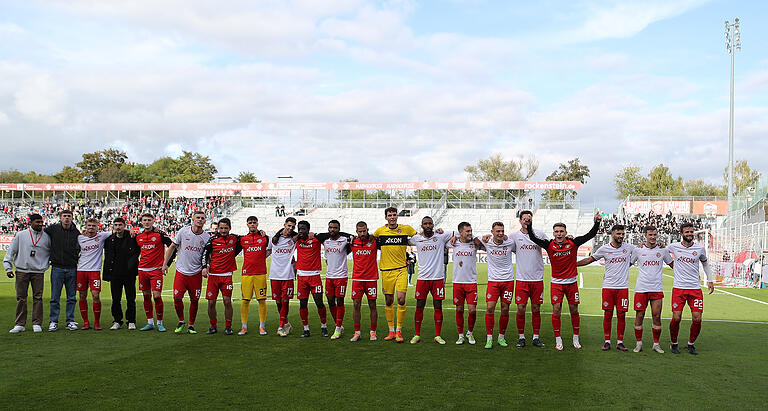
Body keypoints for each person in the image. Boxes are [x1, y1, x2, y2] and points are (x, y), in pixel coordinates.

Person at [526, 214, 601, 351]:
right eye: (556, 231)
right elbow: (533, 238)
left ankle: (575, 338)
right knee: (556, 310)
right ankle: (558, 340)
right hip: (556, 283)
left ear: (566, 233)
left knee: (574, 310)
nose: (559, 234)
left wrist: (596, 222)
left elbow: (591, 234)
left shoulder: (573, 242)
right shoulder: (548, 244)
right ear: (553, 233)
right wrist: (530, 225)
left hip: (571, 283)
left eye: (561, 231)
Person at [577, 224, 635, 351]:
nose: (621, 236)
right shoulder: (604, 249)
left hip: (623, 288)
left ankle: (620, 342)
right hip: (608, 287)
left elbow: (642, 250)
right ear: (612, 234)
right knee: (608, 314)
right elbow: (590, 259)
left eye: (622, 234)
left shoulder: (629, 247)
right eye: (618, 234)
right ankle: (607, 341)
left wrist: (659, 245)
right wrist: (574, 264)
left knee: (621, 315)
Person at [666, 222, 714, 355]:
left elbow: (705, 263)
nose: (689, 234)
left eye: (691, 232)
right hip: (679, 288)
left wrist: (710, 280)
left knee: (697, 319)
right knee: (676, 317)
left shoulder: (700, 248)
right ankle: (674, 343)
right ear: (681, 234)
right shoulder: (673, 247)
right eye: (687, 232)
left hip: (695, 289)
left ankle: (691, 344)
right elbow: (661, 251)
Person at [373, 206, 418, 343]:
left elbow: (420, 237)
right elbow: (369, 240)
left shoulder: (406, 229)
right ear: (386, 217)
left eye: (394, 214)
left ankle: (399, 331)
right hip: (386, 271)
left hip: (401, 270)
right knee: (388, 301)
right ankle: (391, 331)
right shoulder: (380, 231)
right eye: (389, 215)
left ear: (397, 216)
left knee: (401, 299)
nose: (392, 217)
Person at [408, 216, 453, 345]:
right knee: (419, 306)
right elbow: (403, 241)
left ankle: (438, 335)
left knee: (438, 306)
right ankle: (417, 334)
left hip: (437, 278)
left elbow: (456, 234)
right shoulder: (416, 239)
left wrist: (449, 234)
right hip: (422, 278)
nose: (428, 225)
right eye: (425, 224)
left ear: (433, 225)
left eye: (430, 223)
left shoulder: (441, 236)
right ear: (422, 226)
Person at [163, 210, 209, 334]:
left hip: (196, 273)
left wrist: (206, 267)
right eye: (197, 217)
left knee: (194, 300)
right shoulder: (183, 232)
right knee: (177, 298)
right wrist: (165, 264)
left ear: (205, 221)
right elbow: (172, 247)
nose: (200, 220)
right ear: (193, 219)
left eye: (202, 218)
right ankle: (181, 320)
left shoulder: (206, 237)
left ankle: (191, 325)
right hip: (181, 272)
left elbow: (208, 254)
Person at [3, 214, 50, 333]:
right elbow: (11, 251)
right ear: (31, 222)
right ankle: (20, 324)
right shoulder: (21, 235)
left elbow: (51, 253)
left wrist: (45, 266)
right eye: (37, 222)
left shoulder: (46, 237)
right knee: (21, 298)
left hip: (38, 272)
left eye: (41, 222)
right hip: (22, 271)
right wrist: (8, 268)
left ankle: (37, 323)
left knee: (38, 298)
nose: (40, 224)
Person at [629, 226, 673, 353]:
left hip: (656, 288)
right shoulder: (638, 250)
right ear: (645, 236)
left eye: (655, 235)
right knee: (640, 315)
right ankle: (639, 343)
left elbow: (673, 265)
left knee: (657, 316)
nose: (653, 237)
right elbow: (628, 264)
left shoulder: (663, 251)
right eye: (650, 235)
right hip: (641, 288)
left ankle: (656, 344)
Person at [510, 210, 548, 348]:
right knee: (521, 308)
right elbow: (504, 246)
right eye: (524, 218)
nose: (527, 220)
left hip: (537, 278)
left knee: (536, 308)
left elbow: (551, 246)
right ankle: (521, 337)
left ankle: (536, 337)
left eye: (529, 218)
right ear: (520, 220)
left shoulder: (540, 234)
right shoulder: (514, 236)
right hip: (522, 278)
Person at [479, 221, 516, 349]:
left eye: (502, 231)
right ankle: (489, 338)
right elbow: (472, 238)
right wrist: (483, 236)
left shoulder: (510, 242)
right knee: (490, 308)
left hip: (508, 281)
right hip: (493, 281)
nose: (500, 233)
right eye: (498, 231)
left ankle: (501, 337)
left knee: (505, 309)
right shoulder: (487, 242)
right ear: (492, 232)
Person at [201, 218, 241, 335]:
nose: (223, 230)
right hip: (213, 275)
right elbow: (205, 253)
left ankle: (228, 326)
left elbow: (247, 238)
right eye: (221, 228)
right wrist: (204, 267)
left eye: (226, 228)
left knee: (227, 301)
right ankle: (213, 326)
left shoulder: (235, 238)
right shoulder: (212, 240)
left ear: (230, 228)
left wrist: (261, 232)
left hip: (227, 275)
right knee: (211, 302)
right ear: (218, 228)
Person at [314, 220, 352, 340]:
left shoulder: (345, 240)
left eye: (335, 228)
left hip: (341, 276)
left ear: (339, 229)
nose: (332, 230)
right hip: (329, 276)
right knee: (330, 301)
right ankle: (338, 325)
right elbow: (317, 235)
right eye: (330, 227)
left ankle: (337, 328)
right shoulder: (325, 240)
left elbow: (351, 238)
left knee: (339, 301)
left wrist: (348, 236)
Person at [136, 213, 173, 332]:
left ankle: (160, 323)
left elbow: (173, 246)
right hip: (142, 270)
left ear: (153, 221)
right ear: (141, 222)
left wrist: (166, 264)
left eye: (149, 220)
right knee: (146, 296)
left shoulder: (160, 234)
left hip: (156, 270)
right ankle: (150, 322)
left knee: (156, 296)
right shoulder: (138, 236)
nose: (147, 222)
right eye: (144, 220)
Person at [45, 209, 81, 332]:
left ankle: (70, 321)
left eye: (69, 216)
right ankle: (53, 321)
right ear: (60, 218)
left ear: (72, 218)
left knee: (71, 297)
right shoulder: (53, 229)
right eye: (64, 216)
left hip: (72, 268)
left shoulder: (76, 232)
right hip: (57, 268)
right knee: (55, 297)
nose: (66, 218)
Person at [293, 220, 329, 338]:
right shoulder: (297, 239)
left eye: (303, 229)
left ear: (308, 230)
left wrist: (316, 234)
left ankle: (324, 326)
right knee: (303, 304)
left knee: (319, 302)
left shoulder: (316, 239)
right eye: (299, 229)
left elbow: (329, 234)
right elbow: (282, 233)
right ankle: (306, 329)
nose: (301, 231)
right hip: (302, 277)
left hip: (315, 276)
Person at [103, 217, 139, 330]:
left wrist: (131, 231)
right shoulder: (109, 239)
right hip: (115, 274)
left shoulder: (133, 237)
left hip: (129, 273)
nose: (118, 227)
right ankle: (117, 320)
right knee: (116, 299)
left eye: (120, 225)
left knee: (130, 298)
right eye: (116, 225)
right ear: (113, 226)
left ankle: (131, 321)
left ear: (124, 226)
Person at [75, 218, 112, 330]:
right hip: (81, 270)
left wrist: (130, 231)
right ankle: (86, 322)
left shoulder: (102, 236)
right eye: (89, 225)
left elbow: (117, 230)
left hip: (94, 271)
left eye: (93, 226)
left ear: (97, 227)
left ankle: (97, 322)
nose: (91, 227)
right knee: (82, 296)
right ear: (86, 226)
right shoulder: (79, 237)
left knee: (95, 295)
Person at [446, 222, 479, 345]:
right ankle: (460, 335)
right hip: (458, 282)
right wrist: (452, 235)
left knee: (472, 310)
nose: (470, 233)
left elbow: (483, 243)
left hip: (471, 282)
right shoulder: (453, 243)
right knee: (459, 309)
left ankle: (470, 333)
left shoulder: (474, 243)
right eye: (467, 231)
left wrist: (474, 236)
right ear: (460, 232)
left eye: (471, 231)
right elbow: (442, 237)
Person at [238, 216, 270, 335]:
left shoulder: (264, 238)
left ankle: (262, 326)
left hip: (260, 273)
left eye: (254, 222)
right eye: (250, 223)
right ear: (247, 224)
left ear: (257, 224)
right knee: (245, 300)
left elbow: (272, 248)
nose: (252, 224)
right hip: (246, 274)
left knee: (261, 300)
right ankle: (244, 327)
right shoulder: (242, 239)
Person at [347, 221, 379, 342]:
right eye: (360, 231)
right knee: (356, 305)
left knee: (372, 305)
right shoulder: (352, 242)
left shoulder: (374, 241)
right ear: (356, 232)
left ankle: (373, 332)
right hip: (357, 279)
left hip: (371, 279)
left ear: (367, 230)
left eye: (364, 231)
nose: (362, 233)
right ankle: (357, 332)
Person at [269, 217, 297, 337]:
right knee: (278, 302)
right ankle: (286, 323)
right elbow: (267, 251)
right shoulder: (273, 239)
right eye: (289, 225)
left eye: (293, 226)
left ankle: (280, 327)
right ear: (284, 225)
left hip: (288, 275)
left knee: (285, 301)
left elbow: (303, 233)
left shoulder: (294, 239)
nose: (290, 228)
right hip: (274, 274)